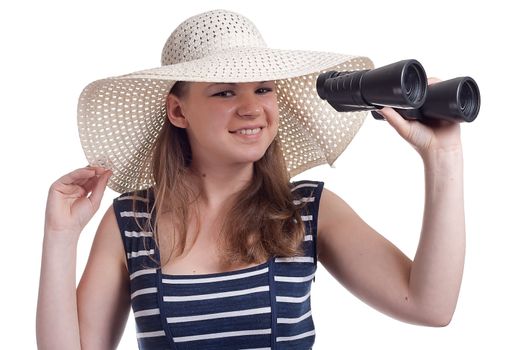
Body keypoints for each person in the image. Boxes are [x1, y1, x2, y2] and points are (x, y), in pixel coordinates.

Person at [36, 9, 465, 350]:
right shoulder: (132, 223)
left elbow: (430, 307)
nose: (251, 108)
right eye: (225, 92)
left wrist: (442, 157)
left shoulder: (308, 211)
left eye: (263, 89)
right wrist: (60, 235)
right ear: (178, 111)